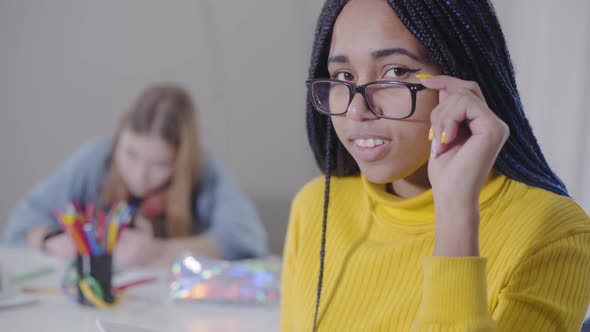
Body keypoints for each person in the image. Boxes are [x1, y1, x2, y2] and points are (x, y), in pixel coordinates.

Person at [281, 0, 590, 331]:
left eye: (396, 72)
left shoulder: (555, 233)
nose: (357, 111)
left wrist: (456, 211)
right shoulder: (316, 205)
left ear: (462, 78)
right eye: (343, 75)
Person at [3, 84, 267, 267]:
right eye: (130, 154)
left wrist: (159, 251)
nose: (140, 176)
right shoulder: (97, 158)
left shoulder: (208, 173)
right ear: (119, 137)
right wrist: (50, 240)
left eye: (160, 164)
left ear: (182, 160)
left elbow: (244, 238)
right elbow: (25, 219)